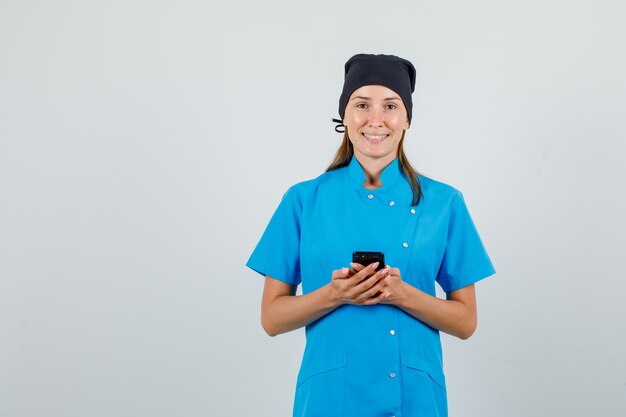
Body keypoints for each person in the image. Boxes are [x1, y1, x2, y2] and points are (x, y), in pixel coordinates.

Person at [246, 53, 496, 417]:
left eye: (390, 106)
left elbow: (466, 322)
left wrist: (402, 294)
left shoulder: (444, 203)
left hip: (415, 400)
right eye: (362, 105)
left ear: (407, 118)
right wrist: (336, 294)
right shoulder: (303, 200)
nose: (375, 120)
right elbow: (271, 318)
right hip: (330, 399)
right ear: (344, 116)